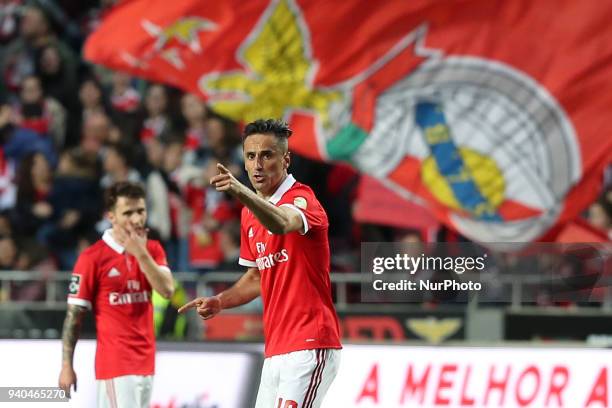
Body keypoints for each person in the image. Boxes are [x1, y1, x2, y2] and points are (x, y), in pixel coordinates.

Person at [179, 119, 341, 408]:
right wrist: (220, 300)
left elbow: (282, 223)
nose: (257, 165)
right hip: (276, 348)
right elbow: (256, 277)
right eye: (251, 156)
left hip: (310, 343)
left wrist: (240, 191)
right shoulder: (249, 215)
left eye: (267, 155)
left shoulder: (302, 198)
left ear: (286, 159)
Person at [58, 181, 174, 408]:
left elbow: (167, 290)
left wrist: (140, 254)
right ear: (111, 216)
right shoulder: (92, 258)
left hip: (147, 362)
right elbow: (74, 315)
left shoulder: (153, 250)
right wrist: (66, 365)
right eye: (128, 213)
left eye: (140, 211)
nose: (137, 219)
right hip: (116, 365)